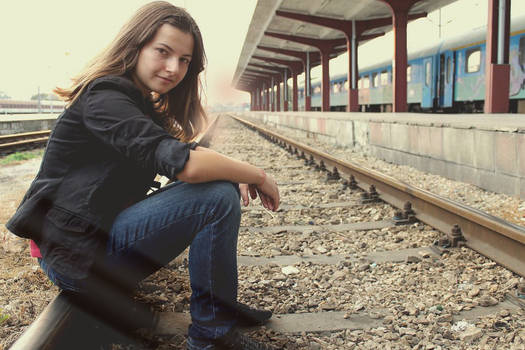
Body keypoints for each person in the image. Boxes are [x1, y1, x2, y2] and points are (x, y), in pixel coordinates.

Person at [6, 2, 280, 349]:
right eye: (163, 52)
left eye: (184, 60)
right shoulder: (105, 95)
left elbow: (185, 161)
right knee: (216, 198)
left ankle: (216, 307)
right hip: (73, 252)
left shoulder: (136, 100)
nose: (173, 68)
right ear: (135, 46)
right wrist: (255, 174)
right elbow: (186, 164)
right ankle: (213, 335)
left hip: (90, 236)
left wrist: (230, 172)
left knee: (218, 185)